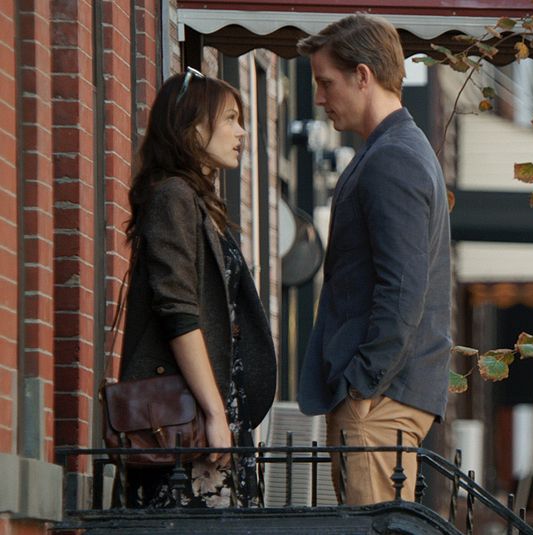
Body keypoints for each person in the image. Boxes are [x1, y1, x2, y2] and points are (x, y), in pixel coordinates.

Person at [295, 13, 452, 505]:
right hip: (384, 393)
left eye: (326, 82)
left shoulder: (393, 157)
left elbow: (402, 289)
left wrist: (361, 385)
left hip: (380, 399)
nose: (320, 98)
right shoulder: (396, 148)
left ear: (363, 75)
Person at [120, 67, 278, 507]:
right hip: (187, 426)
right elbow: (179, 312)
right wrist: (213, 412)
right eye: (229, 118)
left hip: (213, 418)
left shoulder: (200, 203)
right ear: (191, 128)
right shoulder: (173, 197)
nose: (241, 132)